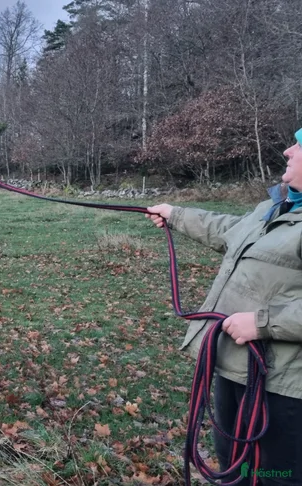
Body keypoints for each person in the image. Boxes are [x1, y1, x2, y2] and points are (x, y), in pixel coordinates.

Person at [145, 127, 302, 484]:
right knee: (234, 466)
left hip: (283, 386)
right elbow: (227, 229)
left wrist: (262, 323)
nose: (287, 152)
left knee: (276, 475)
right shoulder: (276, 206)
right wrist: (175, 214)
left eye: (298, 145)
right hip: (235, 367)